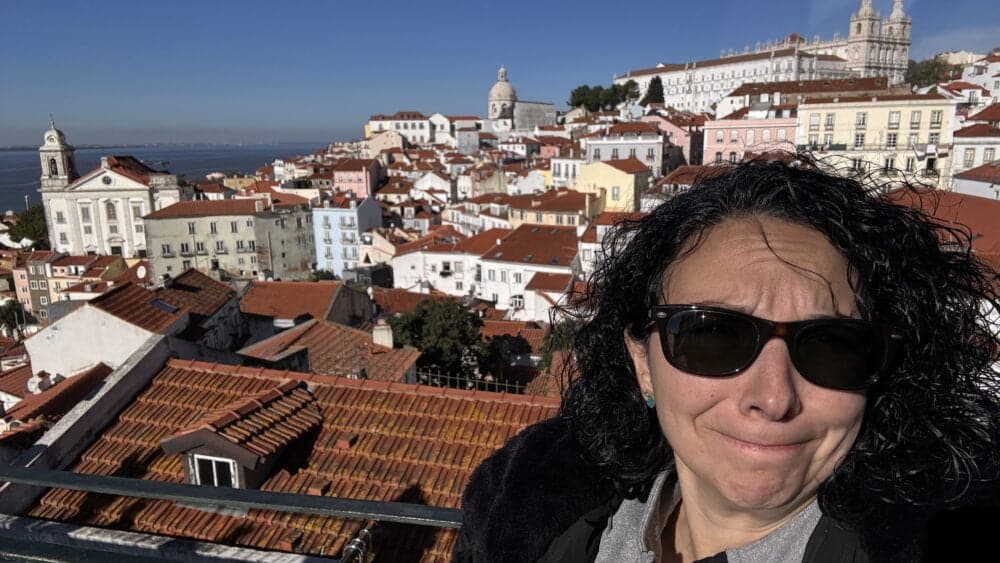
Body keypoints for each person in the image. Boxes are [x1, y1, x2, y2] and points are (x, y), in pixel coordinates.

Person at [454, 159, 1000, 562]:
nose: (773, 397)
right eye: (714, 337)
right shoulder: (532, 519)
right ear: (643, 365)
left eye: (831, 345)